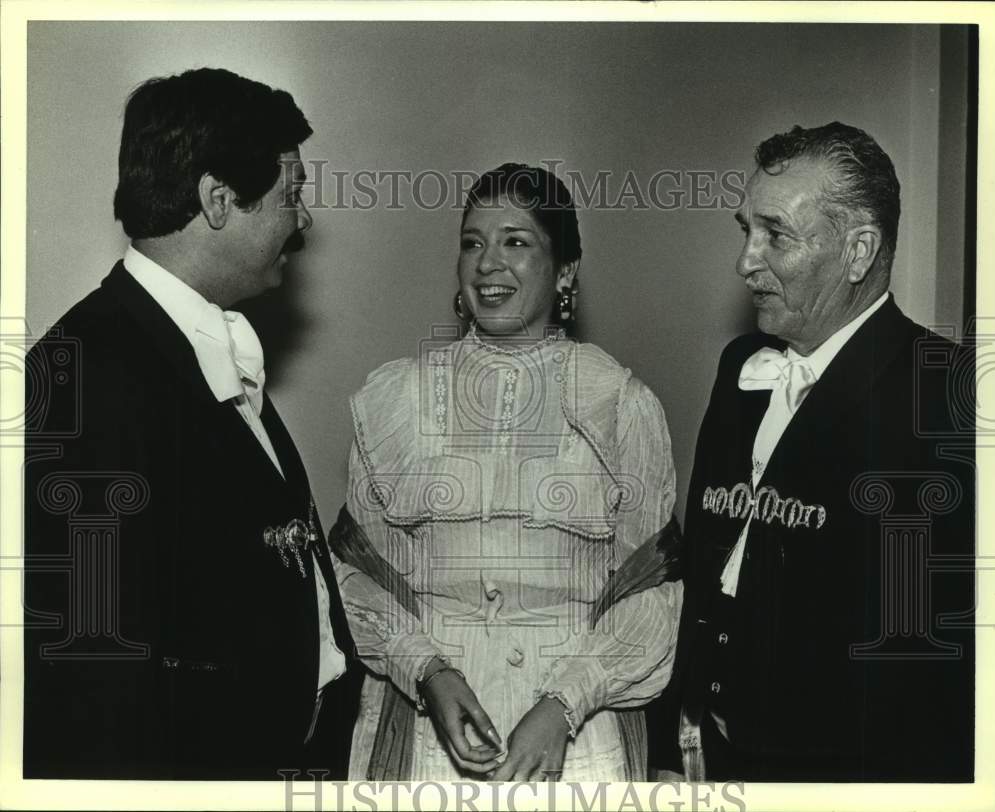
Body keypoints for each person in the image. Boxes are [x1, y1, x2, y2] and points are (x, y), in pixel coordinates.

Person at [23, 67, 361, 779]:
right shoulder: (86, 367)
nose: (301, 221)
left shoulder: (197, 340)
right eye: (290, 196)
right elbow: (93, 670)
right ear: (217, 201)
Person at [329, 163, 683, 781]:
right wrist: (427, 671)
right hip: (425, 738)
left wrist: (564, 703)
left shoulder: (621, 405)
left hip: (576, 746)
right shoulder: (396, 401)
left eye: (516, 242)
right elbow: (358, 578)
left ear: (566, 269)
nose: (487, 264)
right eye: (473, 242)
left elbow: (651, 594)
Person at [667, 122, 975, 781]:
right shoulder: (741, 367)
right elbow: (701, 570)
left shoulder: (946, 394)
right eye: (745, 229)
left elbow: (936, 659)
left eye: (774, 234)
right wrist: (673, 742)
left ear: (858, 252)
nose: (746, 261)